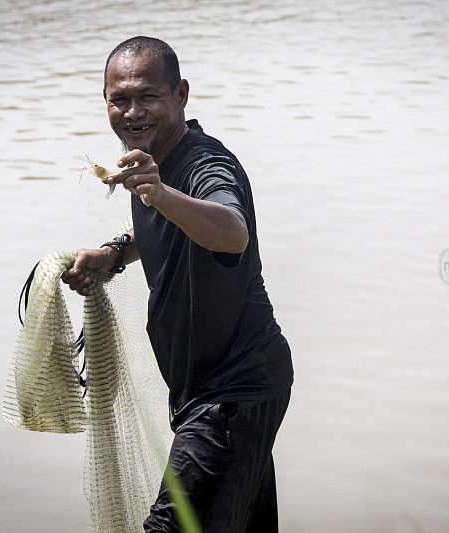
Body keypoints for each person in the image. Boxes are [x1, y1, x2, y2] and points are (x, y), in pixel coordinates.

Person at [61, 36, 294, 532]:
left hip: (235, 389)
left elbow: (232, 233)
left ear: (181, 95)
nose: (132, 111)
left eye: (148, 96)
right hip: (207, 388)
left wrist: (161, 192)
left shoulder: (207, 162)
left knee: (170, 527)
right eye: (118, 99)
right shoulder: (147, 163)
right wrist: (116, 253)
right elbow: (165, 225)